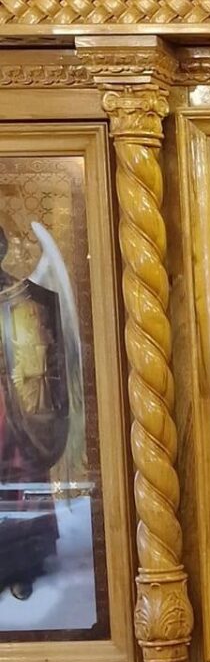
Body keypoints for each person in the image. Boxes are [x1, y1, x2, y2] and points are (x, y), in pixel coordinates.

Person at [0, 225, 70, 599]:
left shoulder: (23, 297)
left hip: (16, 407)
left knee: (20, 475)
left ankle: (22, 563)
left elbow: (43, 357)